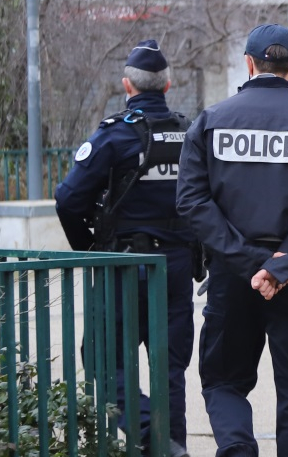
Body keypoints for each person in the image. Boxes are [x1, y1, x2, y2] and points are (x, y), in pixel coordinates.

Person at [177, 23, 288, 457]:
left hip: (231, 277)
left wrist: (248, 260)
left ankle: (237, 448)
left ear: (249, 64)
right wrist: (278, 265)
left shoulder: (210, 122)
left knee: (222, 380)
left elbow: (192, 202)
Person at [53, 39, 195, 457]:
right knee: (170, 370)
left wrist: (90, 248)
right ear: (167, 86)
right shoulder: (190, 134)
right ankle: (174, 446)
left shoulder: (114, 136)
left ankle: (153, 436)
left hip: (122, 266)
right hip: (175, 266)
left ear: (127, 87)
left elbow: (68, 199)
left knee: (100, 359)